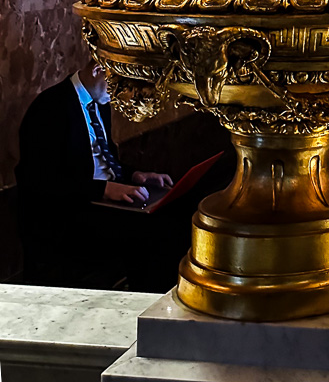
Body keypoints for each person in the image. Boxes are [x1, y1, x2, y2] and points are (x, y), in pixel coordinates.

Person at [16, 60, 217, 291]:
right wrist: (105, 189)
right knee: (156, 232)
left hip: (102, 201)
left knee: (186, 208)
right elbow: (40, 180)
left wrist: (135, 175)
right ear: (97, 70)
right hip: (71, 211)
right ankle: (147, 304)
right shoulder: (50, 107)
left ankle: (184, 297)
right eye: (118, 85)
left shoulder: (99, 101)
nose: (121, 95)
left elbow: (100, 160)